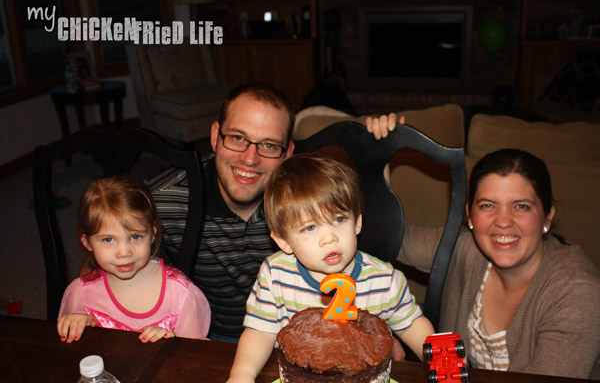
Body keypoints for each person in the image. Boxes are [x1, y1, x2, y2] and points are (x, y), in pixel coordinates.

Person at [148, 83, 400, 342]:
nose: (249, 158)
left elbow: (356, 213)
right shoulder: (166, 199)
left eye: (269, 145)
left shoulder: (303, 200)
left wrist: (378, 145)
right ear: (215, 136)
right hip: (207, 338)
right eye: (237, 138)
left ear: (287, 152)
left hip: (298, 341)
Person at [226, 154, 435, 383]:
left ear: (357, 221)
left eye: (338, 219)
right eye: (309, 227)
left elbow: (413, 325)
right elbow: (260, 332)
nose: (329, 238)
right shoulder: (275, 275)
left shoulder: (384, 280)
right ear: (284, 241)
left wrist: (443, 357)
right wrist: (242, 375)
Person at [397, 148, 600, 380]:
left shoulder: (579, 292)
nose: (503, 222)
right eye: (488, 205)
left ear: (547, 216)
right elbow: (391, 234)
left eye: (521, 206)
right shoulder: (465, 248)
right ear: (470, 216)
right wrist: (377, 153)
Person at [57, 174, 211, 344]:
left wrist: (172, 345)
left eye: (136, 237)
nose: (124, 252)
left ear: (152, 234)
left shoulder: (180, 294)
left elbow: (194, 358)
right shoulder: (80, 295)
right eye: (108, 239)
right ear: (87, 242)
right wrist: (77, 327)